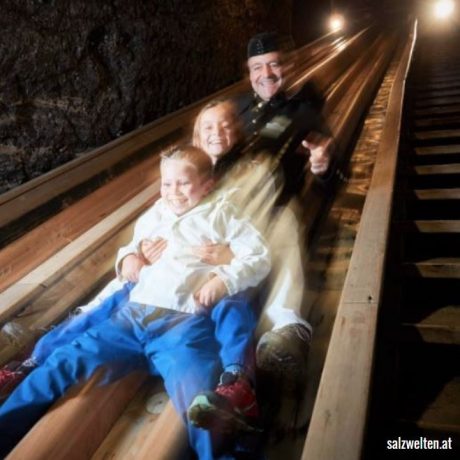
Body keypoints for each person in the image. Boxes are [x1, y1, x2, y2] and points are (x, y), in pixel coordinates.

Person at [0, 145, 271, 459]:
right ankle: (5, 428)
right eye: (167, 184)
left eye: (183, 183)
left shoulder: (223, 212)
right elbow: (131, 248)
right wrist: (128, 258)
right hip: (131, 319)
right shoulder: (155, 214)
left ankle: (228, 452)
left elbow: (259, 256)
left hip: (184, 324)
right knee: (63, 360)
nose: (173, 191)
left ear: (208, 184)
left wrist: (222, 280)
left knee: (200, 397)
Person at [192, 99, 313, 388]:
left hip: (240, 261)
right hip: (199, 268)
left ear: (237, 130)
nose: (217, 132)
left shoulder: (255, 168)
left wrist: (233, 253)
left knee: (283, 220)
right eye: (208, 126)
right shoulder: (184, 174)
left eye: (225, 125)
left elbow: (255, 222)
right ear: (197, 134)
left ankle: (286, 328)